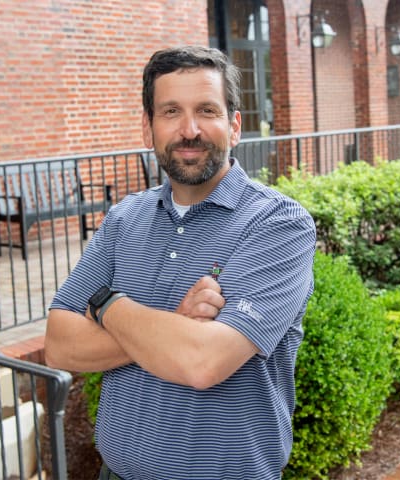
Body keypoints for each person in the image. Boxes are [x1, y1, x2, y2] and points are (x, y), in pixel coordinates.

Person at [44, 45, 316, 480]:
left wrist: (106, 306)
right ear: (149, 130)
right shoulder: (124, 219)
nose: (190, 130)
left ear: (235, 126)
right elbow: (60, 343)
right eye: (170, 112)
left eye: (207, 110)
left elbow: (201, 362)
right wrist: (174, 320)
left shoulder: (278, 224)